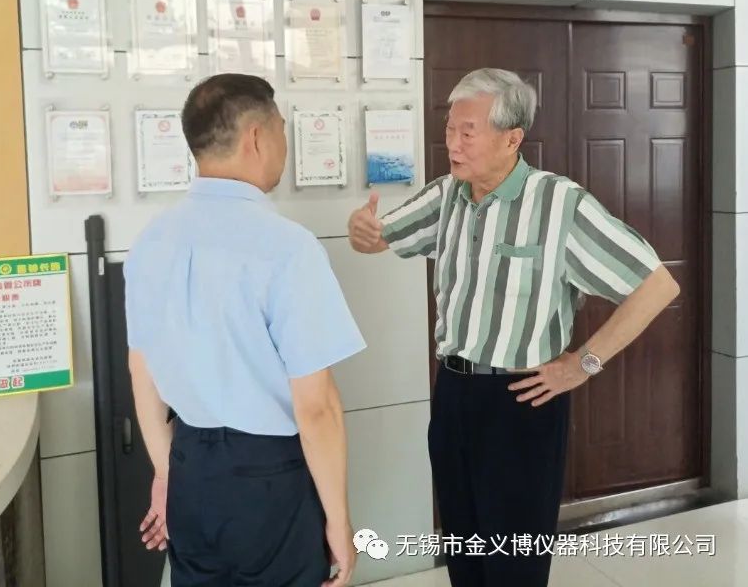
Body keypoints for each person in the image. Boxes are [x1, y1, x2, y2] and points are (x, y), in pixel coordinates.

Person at [347, 68, 680, 587]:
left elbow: (657, 286)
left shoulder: (560, 204)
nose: (452, 144)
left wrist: (583, 364)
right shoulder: (447, 195)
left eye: (468, 132)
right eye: (450, 130)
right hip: (454, 393)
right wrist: (361, 232)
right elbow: (379, 239)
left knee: (514, 562)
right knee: (463, 548)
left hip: (522, 401)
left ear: (512, 138)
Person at [124, 73, 366, 587]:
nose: (285, 143)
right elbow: (316, 407)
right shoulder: (288, 248)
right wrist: (339, 522)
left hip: (189, 465)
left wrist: (167, 475)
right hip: (268, 478)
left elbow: (141, 369)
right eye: (282, 128)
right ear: (256, 137)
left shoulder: (151, 241)